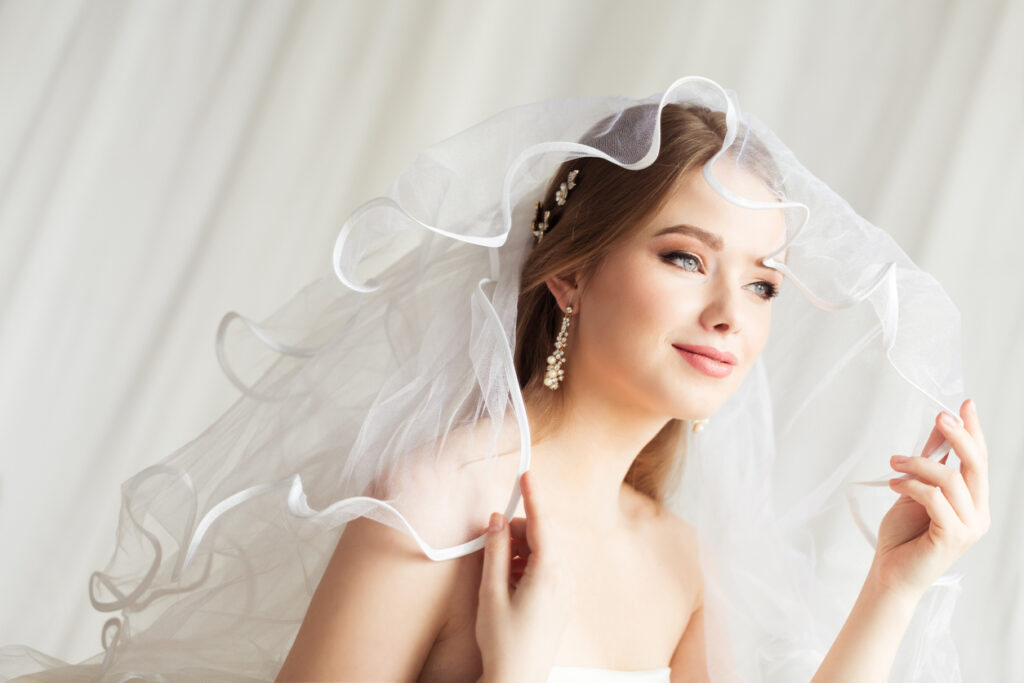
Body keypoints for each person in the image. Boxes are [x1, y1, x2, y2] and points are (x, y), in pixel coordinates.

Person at [0, 77, 989, 683]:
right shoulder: (443, 498)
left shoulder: (677, 555)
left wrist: (893, 588)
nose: (732, 310)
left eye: (764, 281)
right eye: (685, 258)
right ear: (570, 269)